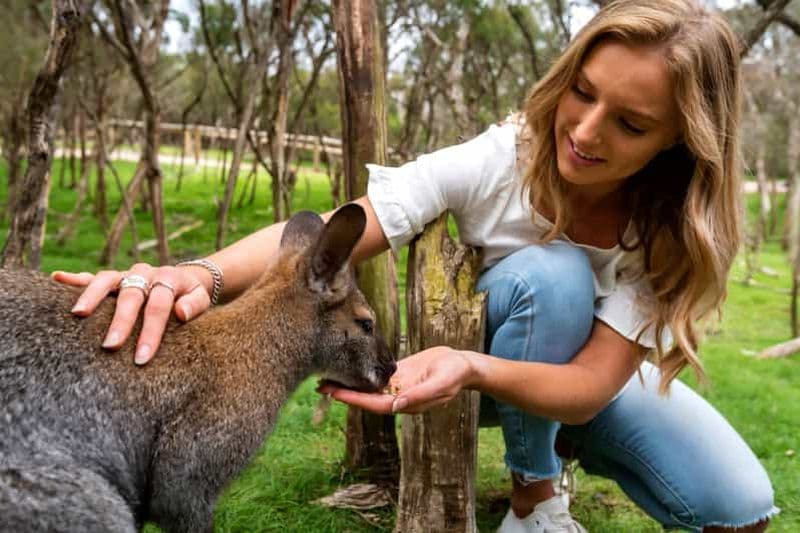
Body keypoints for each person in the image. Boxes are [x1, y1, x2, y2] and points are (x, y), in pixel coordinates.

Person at [54, 0, 777, 531]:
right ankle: (535, 500)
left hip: (578, 381)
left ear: (679, 141)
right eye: (583, 93)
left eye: (630, 123)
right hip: (474, 364)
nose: (584, 132)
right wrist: (200, 275)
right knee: (550, 275)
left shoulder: (669, 229)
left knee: (742, 507)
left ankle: (561, 449)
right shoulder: (509, 156)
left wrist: (480, 370)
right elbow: (357, 219)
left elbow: (592, 384)